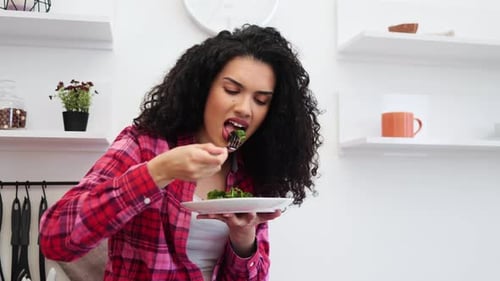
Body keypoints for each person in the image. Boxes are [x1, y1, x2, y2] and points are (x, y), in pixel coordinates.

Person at [39, 24, 322, 281]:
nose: (245, 109)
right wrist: (159, 172)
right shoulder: (144, 145)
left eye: (260, 100)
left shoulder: (249, 176)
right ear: (203, 89)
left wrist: (243, 238)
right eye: (232, 90)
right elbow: (55, 238)